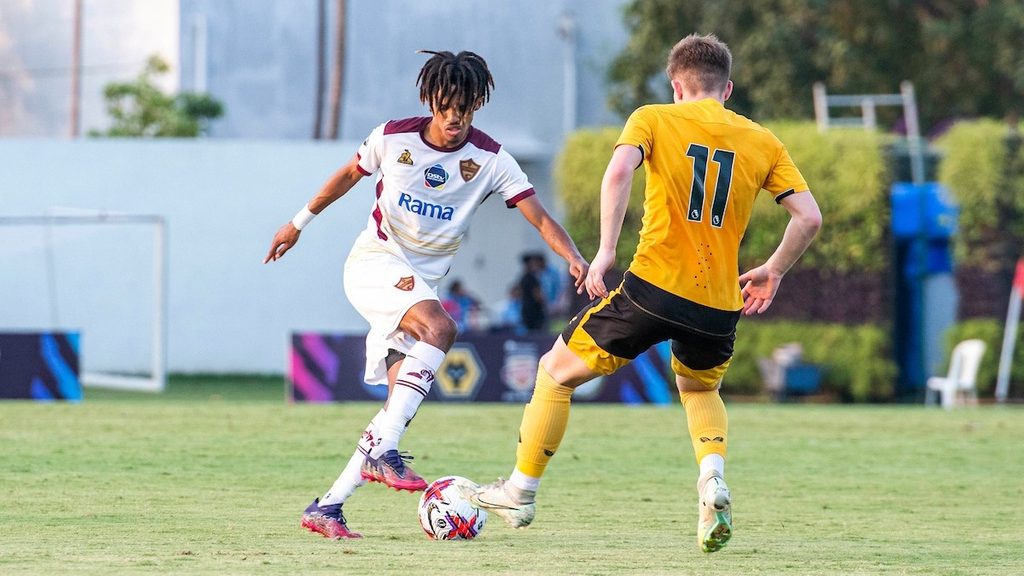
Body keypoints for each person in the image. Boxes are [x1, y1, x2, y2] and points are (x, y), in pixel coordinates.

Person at [471, 33, 822, 554]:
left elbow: (618, 171)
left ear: (676, 86)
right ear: (726, 88)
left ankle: (520, 492)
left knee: (554, 372)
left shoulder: (653, 117)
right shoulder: (763, 141)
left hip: (652, 289)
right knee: (700, 391)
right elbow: (809, 216)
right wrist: (773, 268)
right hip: (719, 307)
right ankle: (711, 480)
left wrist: (606, 251)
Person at [263, 50, 588, 539]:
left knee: (398, 407)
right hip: (373, 265)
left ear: (477, 104)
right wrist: (297, 223)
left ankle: (328, 506)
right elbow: (348, 177)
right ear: (430, 100)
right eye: (445, 106)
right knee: (442, 327)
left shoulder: (491, 159)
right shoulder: (392, 137)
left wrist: (575, 257)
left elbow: (538, 216)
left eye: (465, 108)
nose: (454, 118)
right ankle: (384, 455)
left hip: (418, 286)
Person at [517, 252, 547, 332]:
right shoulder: (532, 278)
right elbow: (537, 295)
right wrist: (545, 304)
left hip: (526, 311)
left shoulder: (523, 278)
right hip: (535, 313)